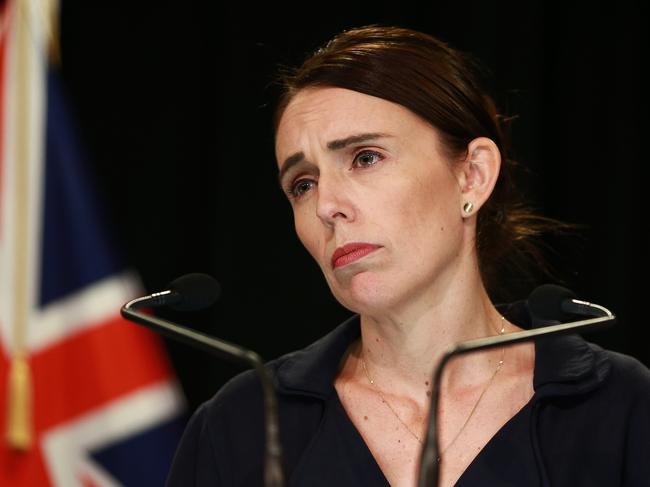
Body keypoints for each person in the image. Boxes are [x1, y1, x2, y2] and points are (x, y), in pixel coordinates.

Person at [166, 25, 650, 487]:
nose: (327, 205)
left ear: (472, 176)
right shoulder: (243, 424)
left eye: (365, 157)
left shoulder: (622, 406)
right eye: (303, 184)